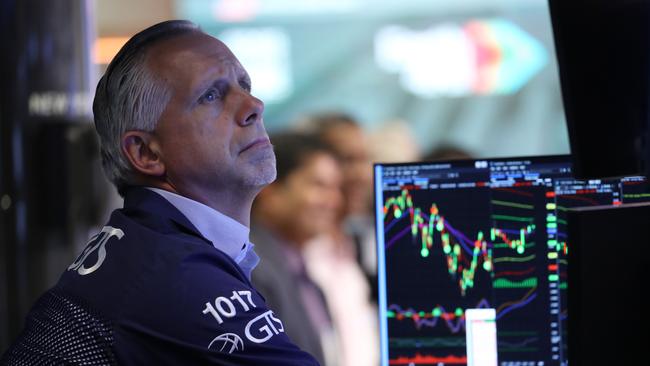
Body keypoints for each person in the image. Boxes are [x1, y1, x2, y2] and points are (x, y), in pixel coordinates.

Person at [1, 20, 318, 365]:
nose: (253, 105)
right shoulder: (176, 271)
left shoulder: (147, 244)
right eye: (210, 95)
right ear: (146, 153)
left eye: (244, 85)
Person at [251, 132, 342, 366]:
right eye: (318, 185)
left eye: (336, 188)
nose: (333, 201)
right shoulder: (252, 268)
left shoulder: (302, 272)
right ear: (270, 190)